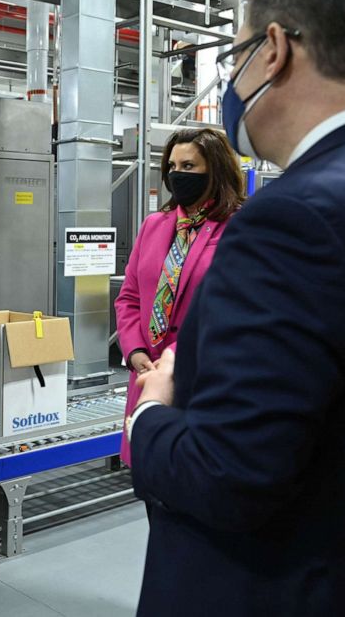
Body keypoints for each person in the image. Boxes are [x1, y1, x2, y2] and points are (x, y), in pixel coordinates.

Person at [127, 0, 345, 614]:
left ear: (272, 49)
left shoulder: (296, 216)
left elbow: (230, 475)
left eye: (236, 54)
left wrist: (151, 412)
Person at [114, 128, 244, 466]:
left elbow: (236, 308)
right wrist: (135, 350)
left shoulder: (240, 228)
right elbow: (129, 297)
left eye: (189, 166)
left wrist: (174, 357)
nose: (177, 175)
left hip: (202, 377)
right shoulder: (154, 225)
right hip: (146, 377)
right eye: (172, 166)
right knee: (149, 478)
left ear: (214, 170)